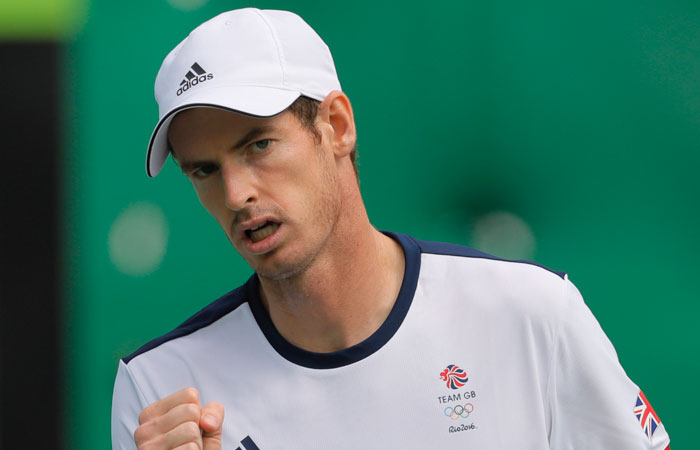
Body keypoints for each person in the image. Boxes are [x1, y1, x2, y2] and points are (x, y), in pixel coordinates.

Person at [111, 8, 671, 450]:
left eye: (258, 145)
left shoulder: (534, 313)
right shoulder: (160, 388)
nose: (236, 195)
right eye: (204, 171)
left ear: (336, 126)